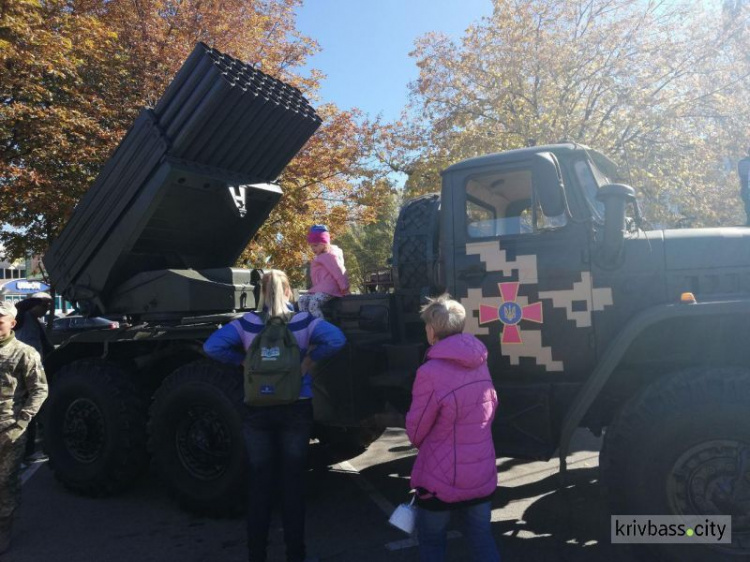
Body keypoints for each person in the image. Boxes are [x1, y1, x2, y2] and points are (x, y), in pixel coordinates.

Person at [204, 269, 346, 562]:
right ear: (289, 292)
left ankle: (257, 554)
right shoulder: (304, 322)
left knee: (259, 482)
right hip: (296, 407)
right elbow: (337, 340)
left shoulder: (247, 324)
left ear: (261, 294)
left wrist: (242, 361)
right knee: (292, 482)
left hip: (257, 409)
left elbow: (211, 346)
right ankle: (296, 554)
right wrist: (309, 360)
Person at [406, 294, 500, 562]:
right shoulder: (481, 363)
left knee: (433, 541)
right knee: (482, 537)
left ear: (432, 330)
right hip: (481, 472)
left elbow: (417, 428)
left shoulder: (430, 371)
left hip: (440, 478)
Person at [0, 301, 48, 554]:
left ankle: (4, 528)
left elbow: (39, 390)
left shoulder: (25, 353)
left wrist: (22, 422)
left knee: (5, 481)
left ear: (12, 323)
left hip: (10, 429)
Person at [298, 225, 349, 318]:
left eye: (316, 245)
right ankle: (306, 324)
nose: (313, 248)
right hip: (321, 288)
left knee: (313, 304)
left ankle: (321, 327)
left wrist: (344, 288)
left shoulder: (329, 256)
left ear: (324, 243)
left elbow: (339, 272)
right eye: (311, 246)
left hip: (330, 289)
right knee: (302, 300)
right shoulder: (321, 256)